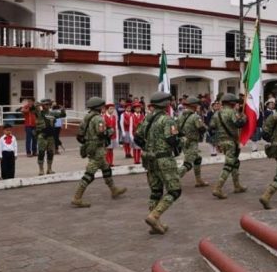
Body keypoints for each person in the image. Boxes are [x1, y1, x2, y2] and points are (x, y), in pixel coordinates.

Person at [136, 92, 182, 235]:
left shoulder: (147, 118)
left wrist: (149, 148)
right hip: (164, 160)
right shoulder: (167, 120)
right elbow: (172, 141)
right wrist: (182, 140)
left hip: (149, 159)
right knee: (174, 190)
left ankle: (155, 225)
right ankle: (154, 216)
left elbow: (137, 138)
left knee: (156, 192)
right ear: (166, 104)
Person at [71, 97, 127, 208]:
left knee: (106, 168)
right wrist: (110, 130)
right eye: (102, 106)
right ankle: (77, 197)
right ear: (98, 107)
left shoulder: (86, 117)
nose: (103, 108)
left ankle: (113, 189)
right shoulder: (98, 119)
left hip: (90, 147)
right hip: (98, 149)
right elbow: (102, 133)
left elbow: (80, 135)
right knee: (89, 173)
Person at [210, 93, 247, 199]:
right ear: (232, 103)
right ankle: (218, 188)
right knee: (228, 165)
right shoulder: (232, 112)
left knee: (234, 162)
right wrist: (244, 117)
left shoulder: (216, 114)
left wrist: (216, 142)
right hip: (231, 142)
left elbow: (211, 128)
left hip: (222, 142)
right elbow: (238, 124)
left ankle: (237, 185)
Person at [177, 97, 208, 187]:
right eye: (197, 105)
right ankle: (173, 179)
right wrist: (205, 126)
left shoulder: (181, 115)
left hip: (183, 141)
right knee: (188, 164)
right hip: (192, 142)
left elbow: (177, 129)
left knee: (197, 159)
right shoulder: (195, 116)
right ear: (194, 106)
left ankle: (198, 180)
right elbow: (201, 128)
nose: (198, 107)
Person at [34, 99, 66, 175]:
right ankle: (41, 170)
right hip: (42, 135)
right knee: (41, 152)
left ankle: (49, 169)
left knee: (50, 152)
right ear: (42, 105)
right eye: (46, 104)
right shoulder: (39, 113)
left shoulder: (52, 113)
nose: (47, 106)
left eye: (49, 104)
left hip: (51, 135)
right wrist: (39, 104)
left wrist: (63, 110)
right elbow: (34, 107)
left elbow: (62, 115)